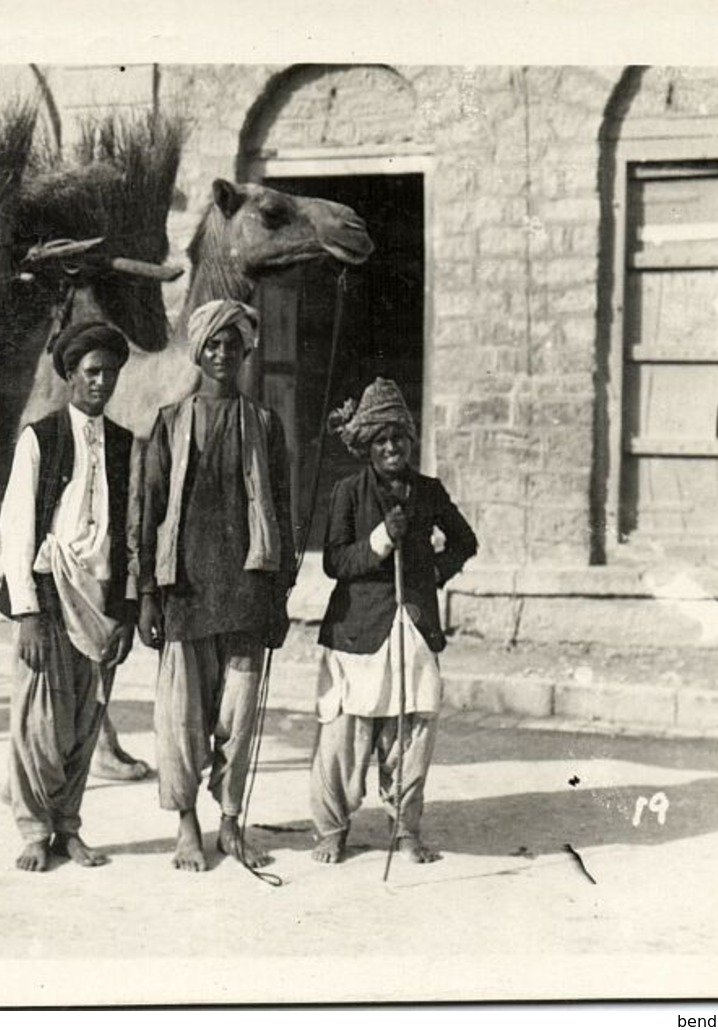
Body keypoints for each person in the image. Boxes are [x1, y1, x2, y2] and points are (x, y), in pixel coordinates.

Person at [136, 299, 293, 873]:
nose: (224, 355)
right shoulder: (171, 422)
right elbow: (149, 511)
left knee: (240, 716)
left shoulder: (265, 425)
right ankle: (186, 824)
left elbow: (283, 510)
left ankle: (230, 822)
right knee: (181, 719)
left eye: (234, 345)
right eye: (214, 345)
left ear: (247, 352)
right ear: (199, 352)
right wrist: (147, 594)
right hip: (185, 591)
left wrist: (279, 596)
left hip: (246, 590)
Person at [310, 377, 478, 865]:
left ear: (410, 440)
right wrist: (381, 540)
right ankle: (332, 828)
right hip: (357, 631)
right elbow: (335, 562)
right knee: (345, 733)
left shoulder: (428, 492)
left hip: (413, 627)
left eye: (398, 438)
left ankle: (405, 829)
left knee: (411, 732)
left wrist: (430, 575)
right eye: (381, 440)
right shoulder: (348, 493)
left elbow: (466, 541)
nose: (391, 448)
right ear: (367, 445)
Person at [0, 320, 137, 873]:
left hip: (99, 602)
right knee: (39, 720)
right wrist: (26, 610)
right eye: (92, 372)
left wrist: (123, 610)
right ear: (71, 376)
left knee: (85, 717)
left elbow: (129, 531)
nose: (101, 382)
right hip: (50, 595)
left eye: (110, 373)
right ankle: (34, 831)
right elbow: (16, 527)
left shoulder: (125, 443)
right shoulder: (41, 437)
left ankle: (69, 828)